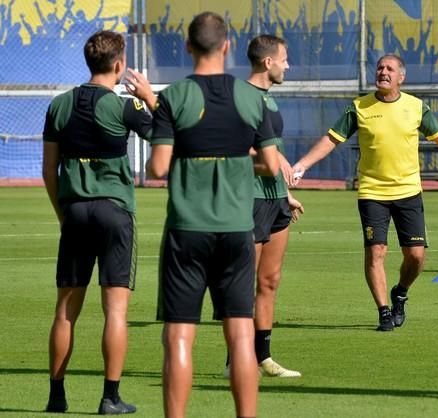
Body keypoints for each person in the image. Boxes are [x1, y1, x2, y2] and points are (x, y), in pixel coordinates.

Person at [127, 12, 280, 418]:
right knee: (241, 333)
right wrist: (234, 157)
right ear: (227, 47)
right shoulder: (251, 98)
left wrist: (192, 153)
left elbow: (157, 168)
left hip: (187, 230)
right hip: (236, 229)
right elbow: (271, 164)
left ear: (188, 47)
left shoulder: (174, 96)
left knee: (178, 335)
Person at [291, 54, 438, 331]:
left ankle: (400, 292)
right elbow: (331, 139)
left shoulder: (415, 107)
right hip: (372, 191)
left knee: (416, 256)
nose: (383, 72)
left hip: (408, 191)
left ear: (401, 76)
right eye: (379, 68)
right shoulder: (360, 107)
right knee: (376, 251)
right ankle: (383, 311)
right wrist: (302, 165)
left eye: (389, 68)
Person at [42, 30, 152, 414]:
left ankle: (56, 397)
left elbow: (48, 171)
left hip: (74, 212)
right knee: (116, 311)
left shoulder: (59, 105)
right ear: (119, 65)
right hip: (115, 212)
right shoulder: (124, 107)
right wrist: (148, 98)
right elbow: (163, 136)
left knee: (65, 311)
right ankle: (110, 397)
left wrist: (63, 215)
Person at [223, 34, 303, 379]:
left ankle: (264, 357)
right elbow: (237, 145)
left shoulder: (268, 101)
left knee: (269, 280)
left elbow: (269, 144)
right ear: (268, 62)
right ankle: (234, 360)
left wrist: (284, 192)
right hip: (249, 199)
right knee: (242, 284)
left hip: (274, 199)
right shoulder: (239, 96)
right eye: (284, 59)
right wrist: (270, 161)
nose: (288, 65)